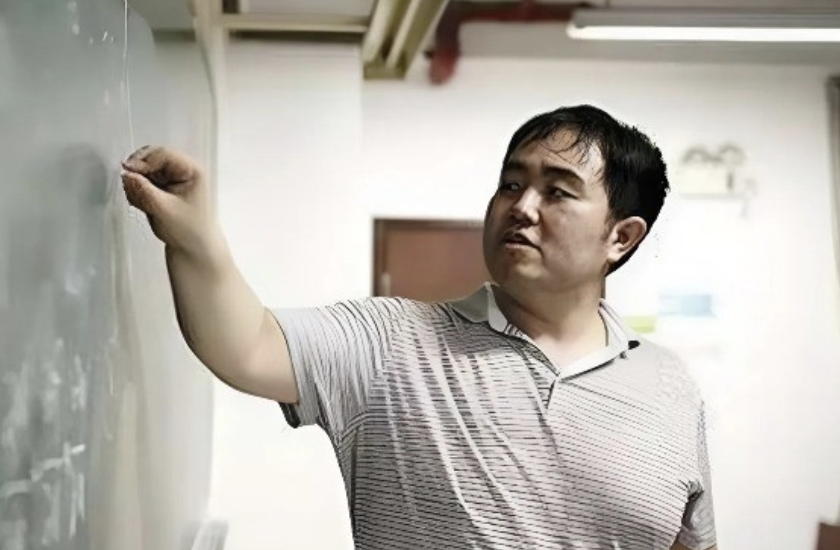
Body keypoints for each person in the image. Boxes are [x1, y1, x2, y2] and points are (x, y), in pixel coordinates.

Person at [121, 105, 717, 550]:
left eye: (558, 191)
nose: (522, 206)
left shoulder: (670, 387)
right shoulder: (393, 341)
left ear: (621, 237)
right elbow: (245, 345)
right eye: (511, 184)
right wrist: (195, 236)